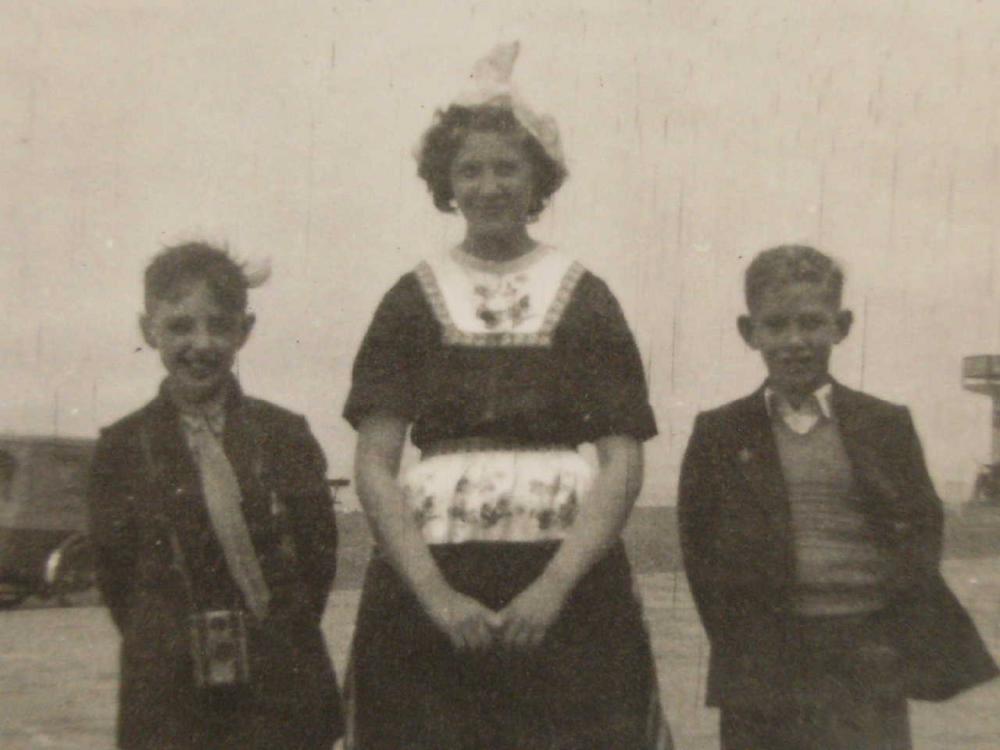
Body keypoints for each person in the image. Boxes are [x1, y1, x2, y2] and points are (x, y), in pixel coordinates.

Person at [342, 43, 671, 750]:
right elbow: (374, 463)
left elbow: (621, 460)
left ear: (537, 179)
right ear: (446, 182)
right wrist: (437, 598)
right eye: (470, 169)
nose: (488, 185)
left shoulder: (585, 295)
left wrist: (552, 590)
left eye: (506, 167)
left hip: (566, 588)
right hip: (435, 585)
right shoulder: (410, 298)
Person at [678, 244, 999, 749]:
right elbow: (700, 553)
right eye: (776, 325)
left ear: (841, 325)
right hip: (764, 662)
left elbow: (919, 532)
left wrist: (888, 640)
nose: (794, 341)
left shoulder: (885, 424)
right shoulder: (719, 432)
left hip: (866, 657)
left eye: (811, 322)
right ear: (749, 332)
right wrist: (744, 645)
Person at [87, 243, 343, 749]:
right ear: (149, 329)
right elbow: (117, 577)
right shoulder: (121, 447)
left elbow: (317, 561)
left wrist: (270, 635)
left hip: (277, 690)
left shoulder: (284, 435)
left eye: (219, 325)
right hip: (169, 694)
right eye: (180, 326)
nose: (200, 344)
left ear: (244, 331)